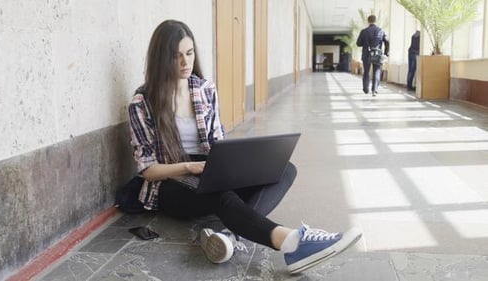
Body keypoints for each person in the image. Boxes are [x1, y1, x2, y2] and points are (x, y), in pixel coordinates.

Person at [128, 19, 362, 275]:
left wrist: (234, 166)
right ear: (161, 59)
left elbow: (217, 141)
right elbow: (148, 170)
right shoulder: (142, 103)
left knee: (285, 170)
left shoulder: (204, 89)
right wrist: (189, 166)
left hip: (208, 168)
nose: (185, 63)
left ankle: (228, 236)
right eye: (176, 56)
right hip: (170, 182)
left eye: (190, 53)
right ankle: (292, 242)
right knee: (221, 195)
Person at [356, 15, 390, 97]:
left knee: (366, 71)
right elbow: (387, 42)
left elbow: (358, 43)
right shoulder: (381, 31)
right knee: (377, 71)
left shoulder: (364, 31)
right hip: (377, 54)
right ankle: (374, 90)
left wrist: (365, 43)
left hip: (366, 54)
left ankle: (365, 88)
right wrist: (386, 53)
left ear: (368, 21)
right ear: (376, 21)